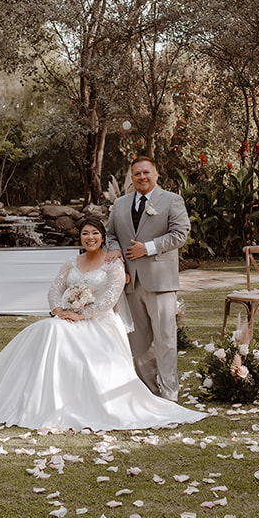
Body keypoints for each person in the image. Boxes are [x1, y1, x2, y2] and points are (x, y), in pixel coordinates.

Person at [0, 218, 204, 431]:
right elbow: (55, 289)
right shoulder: (71, 262)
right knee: (45, 329)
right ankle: (31, 399)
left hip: (98, 322)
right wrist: (59, 309)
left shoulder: (113, 263)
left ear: (102, 237)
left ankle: (62, 401)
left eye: (94, 233)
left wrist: (83, 314)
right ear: (80, 238)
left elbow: (110, 297)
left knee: (56, 332)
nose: (89, 237)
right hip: (66, 318)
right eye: (85, 233)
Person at [107, 155, 191, 400]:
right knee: (139, 343)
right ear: (131, 178)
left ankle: (169, 394)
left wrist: (148, 248)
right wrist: (114, 249)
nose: (142, 177)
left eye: (146, 172)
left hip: (160, 281)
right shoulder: (120, 204)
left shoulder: (172, 200)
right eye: (137, 174)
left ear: (156, 174)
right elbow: (110, 234)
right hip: (130, 282)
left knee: (165, 339)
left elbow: (181, 233)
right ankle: (149, 394)